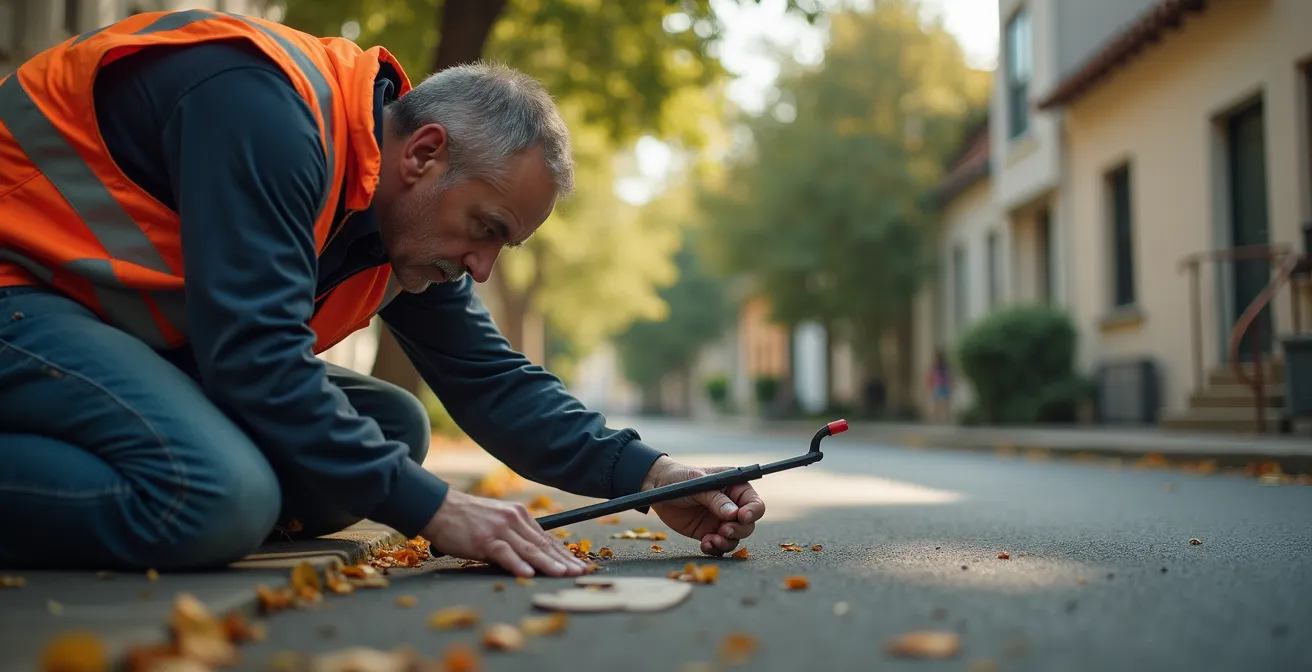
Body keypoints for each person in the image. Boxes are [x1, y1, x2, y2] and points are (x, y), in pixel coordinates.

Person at [0, 8, 765, 577]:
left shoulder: (392, 217)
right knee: (217, 497)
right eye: (487, 228)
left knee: (390, 431)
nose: (484, 267)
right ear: (425, 153)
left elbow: (493, 382)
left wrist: (649, 475)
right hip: (18, 292)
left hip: (91, 325)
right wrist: (438, 509)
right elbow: (257, 360)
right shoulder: (268, 115)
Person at [927, 348, 954, 423]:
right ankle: (936, 418)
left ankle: (946, 418)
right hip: (937, 386)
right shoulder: (934, 367)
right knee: (936, 403)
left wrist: (951, 384)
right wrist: (930, 385)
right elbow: (931, 376)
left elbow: (949, 375)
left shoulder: (945, 367)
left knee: (945, 403)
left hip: (944, 385)